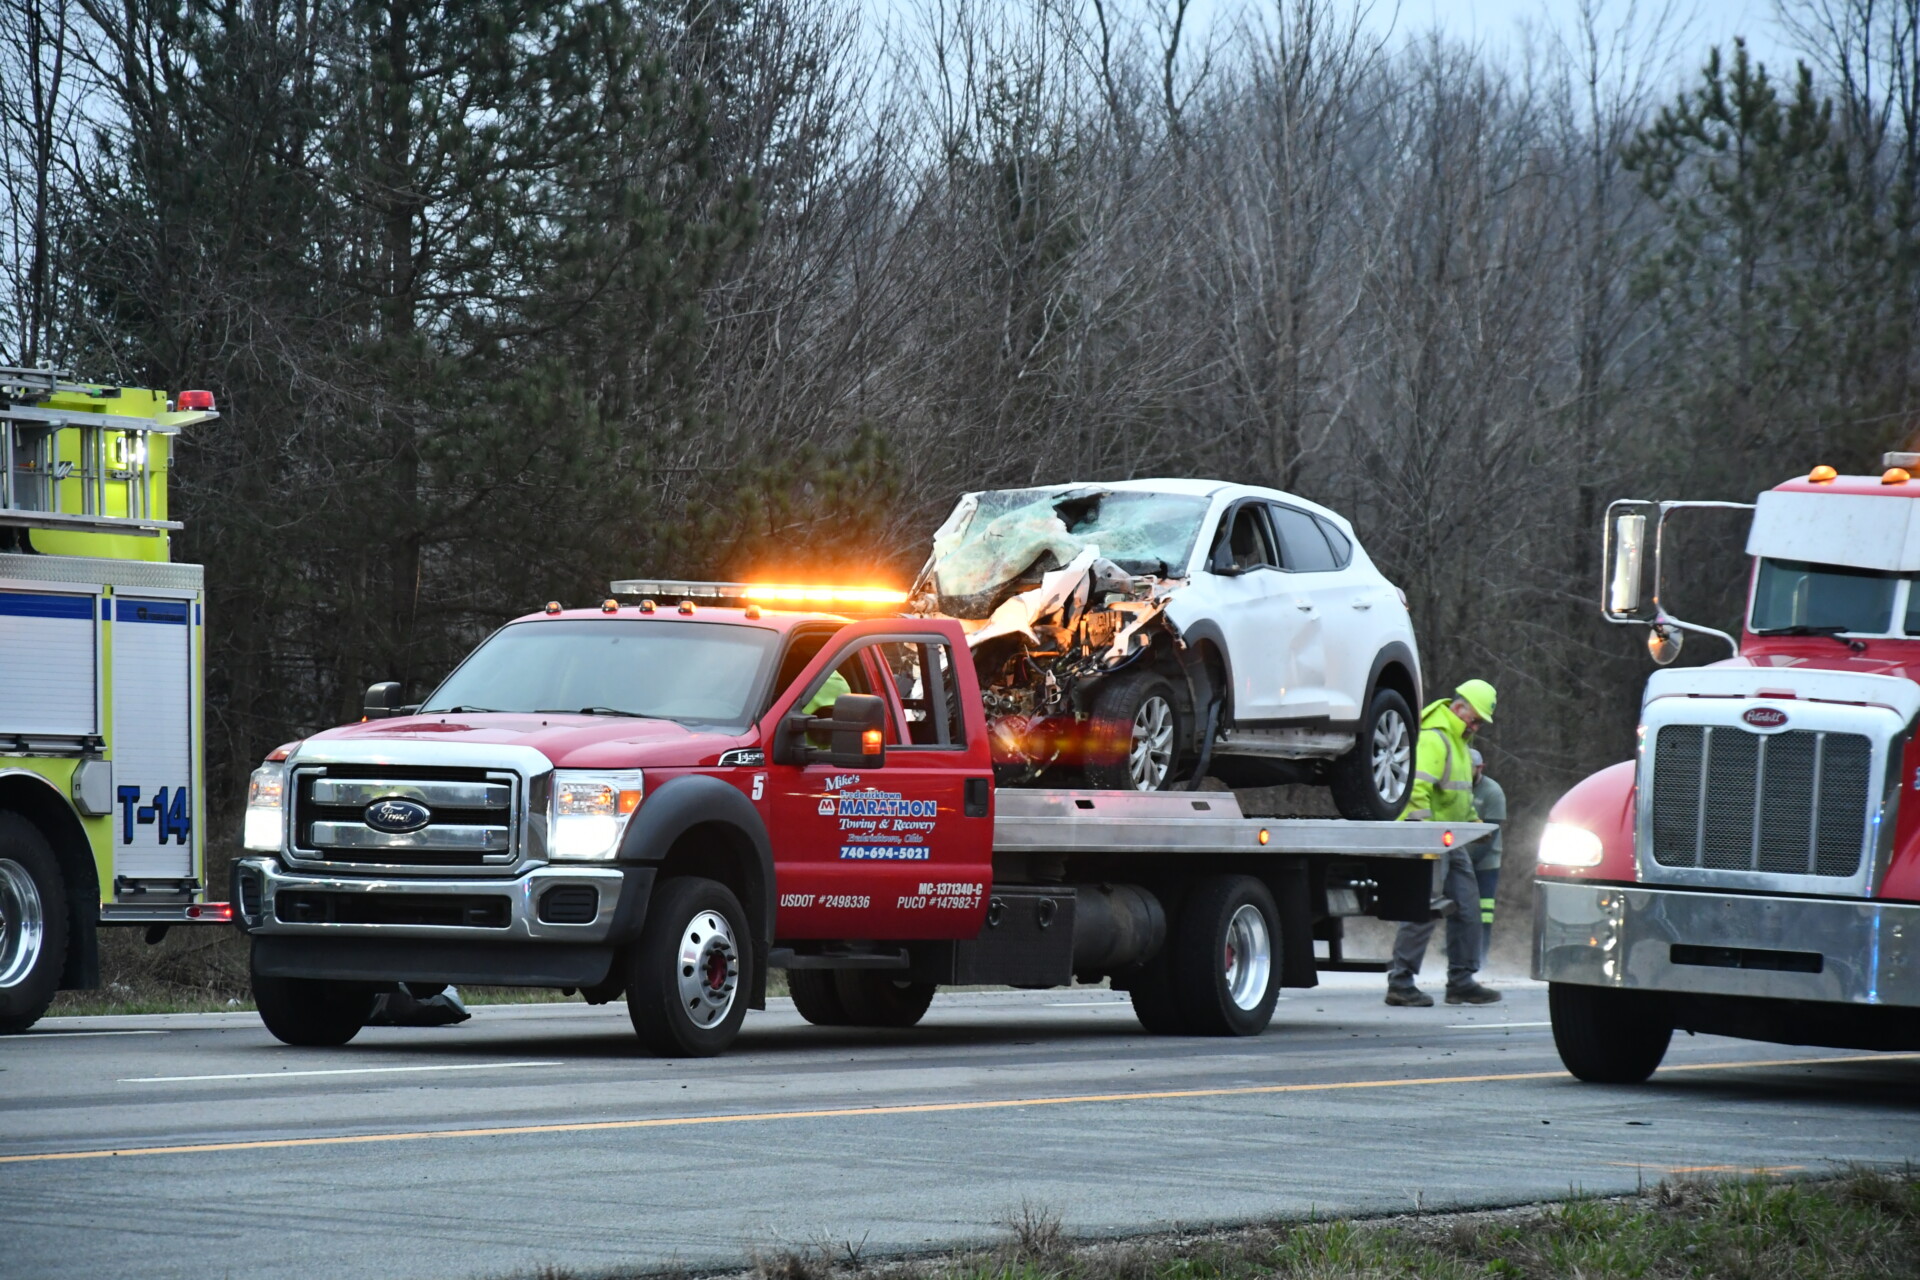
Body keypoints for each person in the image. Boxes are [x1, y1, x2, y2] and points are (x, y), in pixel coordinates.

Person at [1385, 679, 1502, 1007]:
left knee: (1467, 909)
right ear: (1458, 707)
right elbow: (1416, 791)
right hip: (1429, 839)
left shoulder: (1459, 743)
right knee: (1423, 908)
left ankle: (1461, 981)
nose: (1476, 725)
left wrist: (1475, 825)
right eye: (1474, 718)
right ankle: (1401, 982)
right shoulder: (1435, 739)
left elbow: (1458, 799)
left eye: (1480, 721)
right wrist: (1423, 835)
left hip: (1450, 840)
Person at [1470, 748, 1506, 967]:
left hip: (1486, 862)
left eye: (1470, 768)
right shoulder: (1457, 788)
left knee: (1484, 913)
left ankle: (1482, 957)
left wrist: (1474, 862)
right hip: (1459, 860)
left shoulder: (1492, 792)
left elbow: (1491, 834)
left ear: (1480, 768)